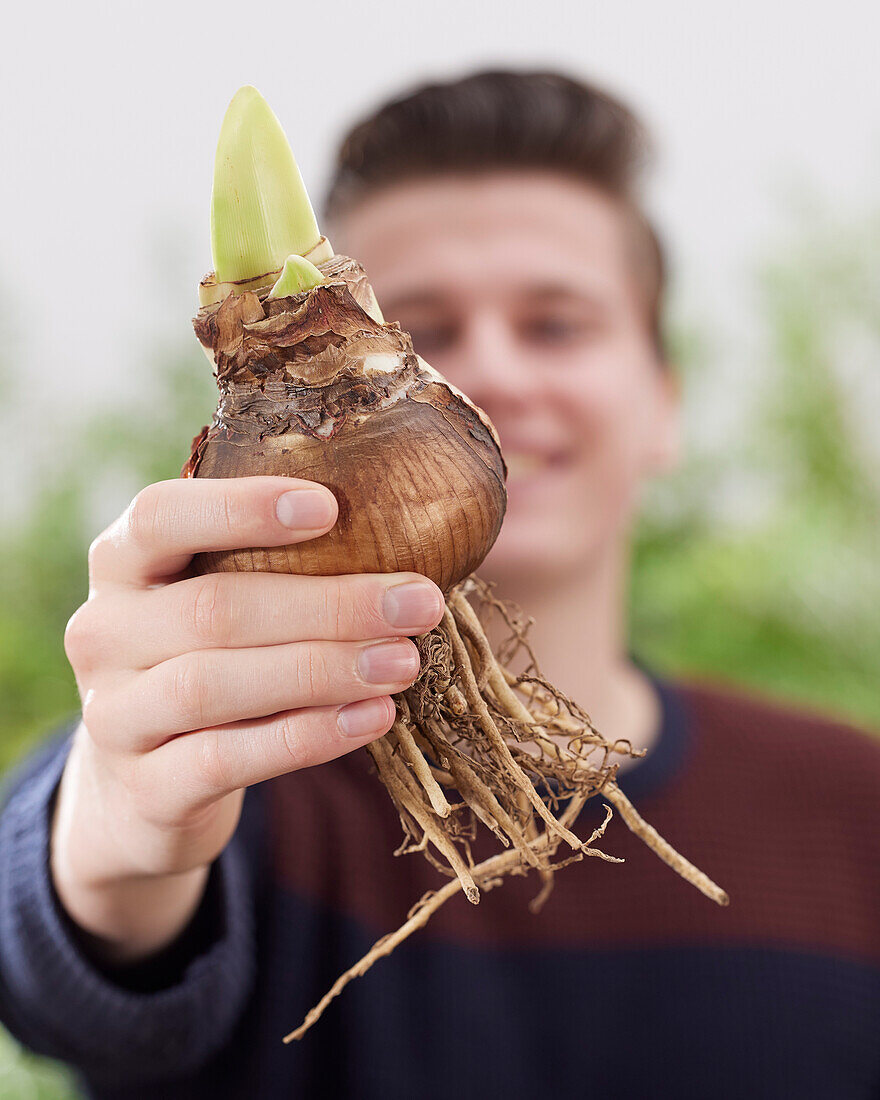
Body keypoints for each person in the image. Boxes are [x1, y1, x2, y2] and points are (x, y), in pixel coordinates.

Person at [1, 70, 878, 1100]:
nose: (494, 374)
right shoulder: (238, 787)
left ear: (662, 404)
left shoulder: (852, 806)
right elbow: (69, 962)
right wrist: (114, 818)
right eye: (421, 330)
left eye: (556, 324)